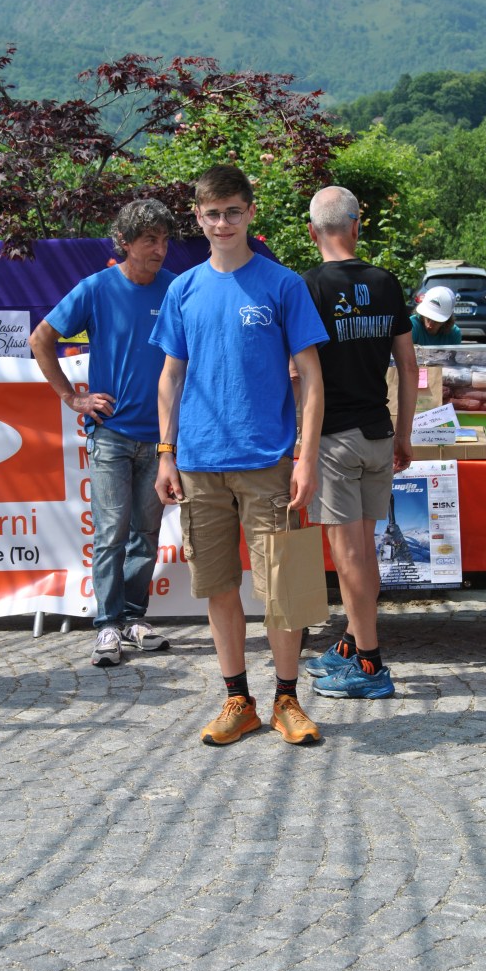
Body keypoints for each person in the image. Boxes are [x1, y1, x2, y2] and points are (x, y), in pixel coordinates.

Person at [151, 164, 328, 746]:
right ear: (198, 218)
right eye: (212, 213)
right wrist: (166, 454)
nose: (223, 223)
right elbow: (170, 376)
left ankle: (286, 700)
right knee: (218, 586)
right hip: (198, 464)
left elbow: (311, 377)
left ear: (251, 213)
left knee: (284, 588)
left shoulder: (283, 285)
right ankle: (238, 700)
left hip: (268, 462)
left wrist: (305, 457)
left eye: (232, 212)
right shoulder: (183, 289)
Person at [30, 199, 176, 666]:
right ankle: (108, 625)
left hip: (162, 440)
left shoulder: (176, 289)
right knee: (112, 533)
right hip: (111, 434)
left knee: (146, 534)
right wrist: (72, 397)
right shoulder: (95, 289)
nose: (160, 249)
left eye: (164, 239)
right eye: (150, 240)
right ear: (125, 243)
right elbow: (40, 339)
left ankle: (133, 619)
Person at [301, 185, 418, 698]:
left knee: (348, 555)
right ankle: (352, 642)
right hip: (377, 433)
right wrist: (404, 433)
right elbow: (409, 366)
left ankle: (370, 664)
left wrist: (300, 445)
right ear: (355, 227)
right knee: (363, 552)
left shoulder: (307, 287)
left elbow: (297, 373)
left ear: (312, 231)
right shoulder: (385, 282)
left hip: (333, 439)